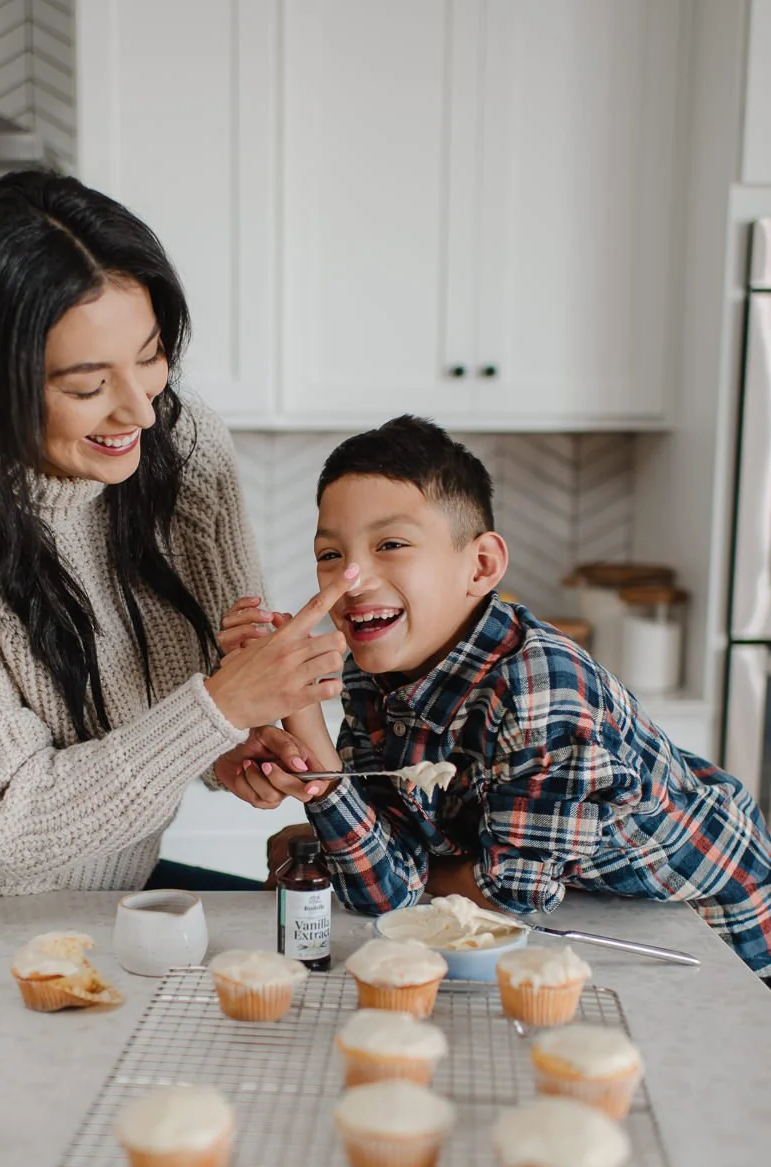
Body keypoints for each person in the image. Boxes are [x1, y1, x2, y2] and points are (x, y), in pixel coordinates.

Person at [0, 169, 351, 896]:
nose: (140, 414)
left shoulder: (185, 450)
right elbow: (7, 824)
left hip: (117, 893)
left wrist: (226, 744)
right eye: (88, 387)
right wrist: (216, 710)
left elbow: (201, 692)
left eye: (150, 358)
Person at [221, 415, 771, 974]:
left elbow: (509, 899)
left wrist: (391, 859)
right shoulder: (373, 671)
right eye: (330, 555)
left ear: (481, 565)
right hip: (596, 918)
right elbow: (383, 896)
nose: (352, 580)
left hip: (710, 928)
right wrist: (302, 717)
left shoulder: (543, 690)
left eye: (391, 544)